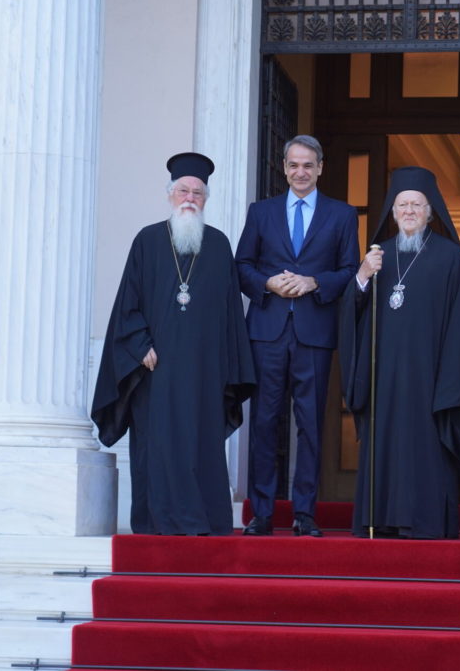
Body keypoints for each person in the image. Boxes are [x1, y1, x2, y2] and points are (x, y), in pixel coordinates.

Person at [91, 152, 256, 536]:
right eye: (183, 190)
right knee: (158, 444)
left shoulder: (218, 245)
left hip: (204, 370)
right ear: (170, 194)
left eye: (198, 193)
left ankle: (205, 521)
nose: (190, 198)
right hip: (156, 367)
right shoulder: (147, 241)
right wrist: (138, 344)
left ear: (206, 199)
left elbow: (231, 313)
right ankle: (157, 523)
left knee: (201, 443)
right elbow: (127, 303)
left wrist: (227, 367)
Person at [340, 166, 460, 539]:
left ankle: (425, 522)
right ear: (393, 210)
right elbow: (350, 314)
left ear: (429, 211)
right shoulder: (378, 256)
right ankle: (382, 519)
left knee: (427, 449)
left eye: (416, 204)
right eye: (402, 204)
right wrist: (362, 276)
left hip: (431, 379)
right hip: (384, 379)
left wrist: (451, 380)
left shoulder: (450, 256)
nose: (409, 211)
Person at [236, 135, 359, 537]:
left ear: (321, 167)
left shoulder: (341, 215)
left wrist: (313, 282)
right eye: (293, 165)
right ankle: (263, 513)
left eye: (308, 165)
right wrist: (268, 283)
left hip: (314, 333)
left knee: (310, 424)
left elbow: (349, 271)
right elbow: (242, 265)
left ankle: (305, 513)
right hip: (268, 331)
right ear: (284, 168)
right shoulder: (261, 212)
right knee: (265, 423)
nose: (300, 172)